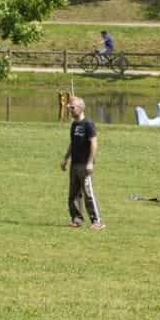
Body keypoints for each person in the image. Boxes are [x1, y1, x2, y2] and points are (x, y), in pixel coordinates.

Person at [61, 96, 104, 230]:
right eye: (69, 107)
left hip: (85, 165)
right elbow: (72, 143)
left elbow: (94, 144)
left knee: (88, 194)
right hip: (74, 164)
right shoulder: (74, 125)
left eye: (72, 107)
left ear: (80, 108)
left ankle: (97, 221)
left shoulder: (88, 124)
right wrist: (65, 159)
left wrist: (90, 163)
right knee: (73, 195)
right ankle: (77, 219)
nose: (69, 109)